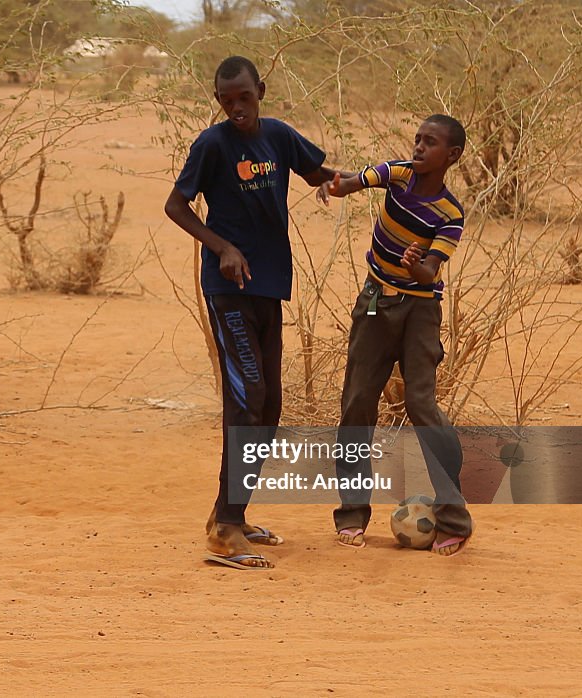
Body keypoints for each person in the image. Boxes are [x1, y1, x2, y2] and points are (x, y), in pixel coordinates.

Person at [164, 56, 344, 570]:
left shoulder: (280, 137)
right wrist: (220, 246)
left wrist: (381, 181)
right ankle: (224, 528)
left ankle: (230, 515)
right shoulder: (212, 144)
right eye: (226, 100)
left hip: (269, 284)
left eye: (244, 97)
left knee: (269, 406)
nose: (236, 107)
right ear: (218, 99)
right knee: (249, 398)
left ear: (260, 90)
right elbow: (176, 207)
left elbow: (319, 176)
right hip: (229, 289)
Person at [323, 114, 474, 556]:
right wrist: (336, 185)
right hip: (375, 303)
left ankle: (453, 518)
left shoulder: (450, 213)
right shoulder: (398, 174)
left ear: (452, 156)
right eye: (418, 139)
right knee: (356, 402)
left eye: (431, 143)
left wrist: (416, 266)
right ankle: (352, 513)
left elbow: (431, 271)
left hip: (420, 310)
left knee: (421, 404)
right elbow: (356, 181)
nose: (420, 147)